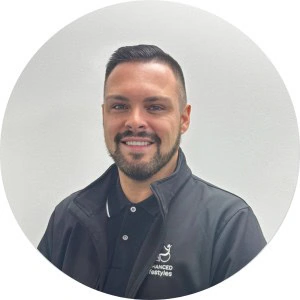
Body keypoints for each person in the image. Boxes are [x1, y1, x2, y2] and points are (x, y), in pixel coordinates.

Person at [38, 44, 266, 299]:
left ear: (184, 119)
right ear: (104, 115)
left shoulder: (229, 225)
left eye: (155, 107)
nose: (134, 121)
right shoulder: (67, 218)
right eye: (119, 106)